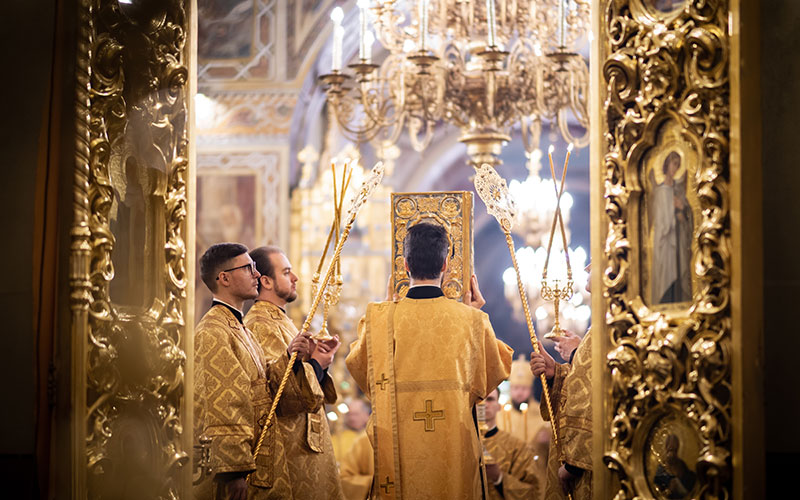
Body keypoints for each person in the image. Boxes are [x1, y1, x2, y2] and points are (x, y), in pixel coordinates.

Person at [346, 222, 513, 499]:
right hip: (455, 450)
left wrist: (383, 315)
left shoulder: (379, 319)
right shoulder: (472, 320)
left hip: (400, 452)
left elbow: (362, 370)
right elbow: (496, 369)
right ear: (445, 264)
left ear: (405, 265)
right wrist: (474, 322)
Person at [244, 245, 344, 499]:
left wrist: (320, 360)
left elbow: (300, 379)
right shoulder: (259, 324)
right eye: (286, 272)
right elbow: (279, 396)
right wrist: (315, 366)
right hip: (290, 452)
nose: (295, 277)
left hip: (304, 448)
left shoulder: (281, 321)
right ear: (265, 281)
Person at [193, 243, 273, 500]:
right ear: (224, 278)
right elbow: (223, 402)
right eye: (249, 268)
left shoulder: (240, 328)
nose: (257, 274)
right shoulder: (213, 331)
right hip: (231, 471)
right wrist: (233, 470)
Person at [530, 265, 593, 500]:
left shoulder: (609, 325)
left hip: (589, 466)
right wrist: (555, 373)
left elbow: (597, 393)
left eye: (594, 261)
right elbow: (588, 381)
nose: (586, 267)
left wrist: (573, 466)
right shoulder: (599, 327)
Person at [482, 388, 542, 500]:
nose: (484, 404)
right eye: (479, 400)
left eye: (490, 399)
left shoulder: (518, 447)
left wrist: (499, 477)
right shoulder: (462, 446)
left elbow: (532, 491)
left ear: (498, 406)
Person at [651, 151, 692, 304]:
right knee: (667, 276)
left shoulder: (678, 190)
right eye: (673, 164)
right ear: (667, 164)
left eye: (678, 165)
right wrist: (672, 208)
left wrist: (682, 210)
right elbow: (660, 221)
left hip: (678, 240)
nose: (675, 168)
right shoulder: (661, 191)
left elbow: (688, 214)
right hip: (666, 243)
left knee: (680, 272)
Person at [497, 356, 552, 456]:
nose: (519, 393)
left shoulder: (543, 413)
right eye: (516, 388)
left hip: (536, 469)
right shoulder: (499, 414)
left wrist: (549, 441)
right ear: (510, 388)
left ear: (531, 390)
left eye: (524, 388)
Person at [332, 398, 371, 463]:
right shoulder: (338, 437)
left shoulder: (371, 437)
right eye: (349, 414)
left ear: (366, 415)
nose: (352, 418)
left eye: (356, 414)